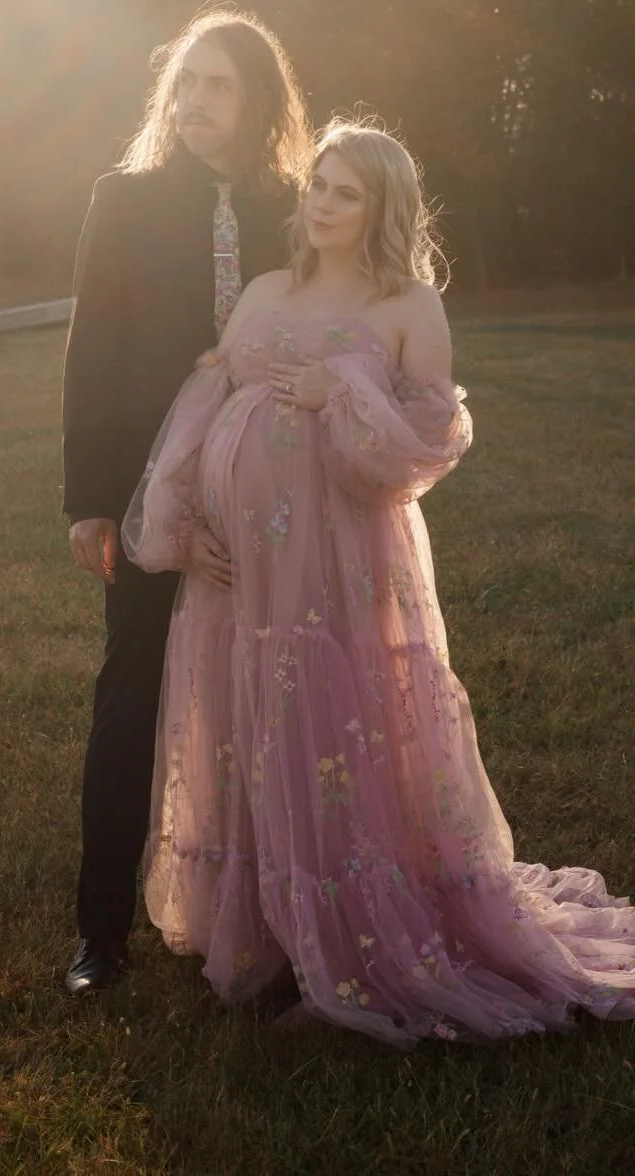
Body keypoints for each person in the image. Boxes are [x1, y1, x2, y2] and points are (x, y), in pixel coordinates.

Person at [123, 120, 635, 1040]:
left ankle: (352, 944)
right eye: (318, 184)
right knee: (248, 722)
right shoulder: (266, 289)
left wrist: (344, 393)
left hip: (338, 564)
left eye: (346, 192)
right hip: (239, 572)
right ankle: (269, 930)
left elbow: (427, 443)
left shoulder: (409, 306)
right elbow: (204, 406)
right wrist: (186, 524)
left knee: (328, 726)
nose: (322, 203)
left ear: (382, 207)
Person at [60, 7, 310, 997]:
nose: (195, 100)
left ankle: (274, 918)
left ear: (260, 103)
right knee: (129, 695)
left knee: (267, 696)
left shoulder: (294, 207)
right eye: (187, 82)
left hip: (264, 486)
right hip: (148, 488)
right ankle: (100, 932)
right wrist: (91, 499)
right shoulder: (124, 200)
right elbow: (91, 351)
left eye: (219, 85)